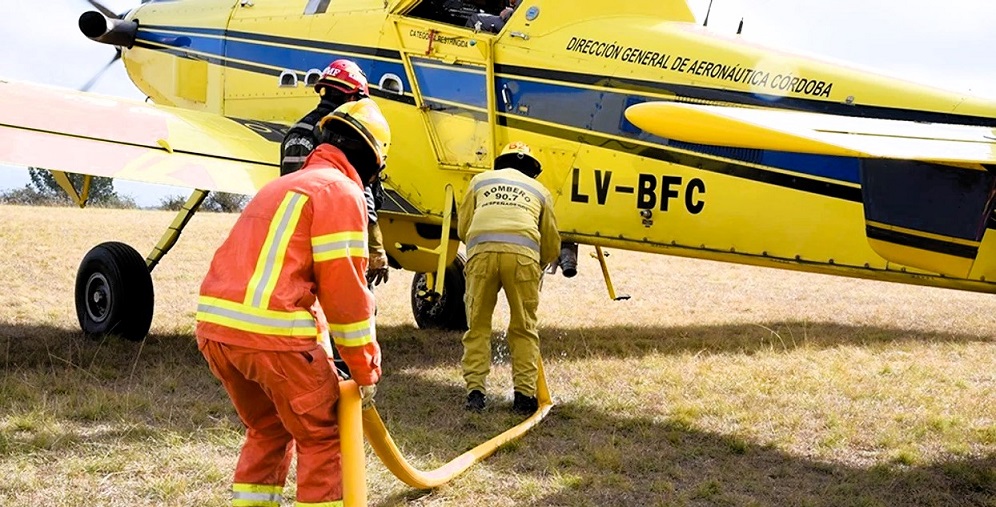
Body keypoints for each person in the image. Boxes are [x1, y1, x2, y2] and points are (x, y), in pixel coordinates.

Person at [196, 98, 391, 507]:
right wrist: (364, 370)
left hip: (217, 333)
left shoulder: (281, 185)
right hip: (274, 338)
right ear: (373, 163)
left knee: (267, 428)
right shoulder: (341, 192)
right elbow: (345, 293)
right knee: (322, 435)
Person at [457, 141, 561, 414]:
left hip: (482, 254)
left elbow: (463, 227)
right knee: (523, 328)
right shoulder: (540, 191)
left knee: (477, 325)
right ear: (531, 169)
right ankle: (524, 398)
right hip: (523, 258)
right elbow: (551, 243)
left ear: (501, 162)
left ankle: (475, 394)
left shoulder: (480, 182)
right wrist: (538, 264)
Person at [280, 58, 390, 287]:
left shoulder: (296, 130)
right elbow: (363, 195)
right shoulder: (344, 133)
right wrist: (376, 250)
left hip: (292, 239)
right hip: (336, 239)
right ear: (351, 96)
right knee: (352, 307)